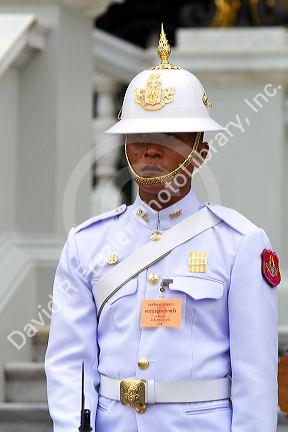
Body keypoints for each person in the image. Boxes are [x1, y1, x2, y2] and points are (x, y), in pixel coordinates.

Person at [44, 24, 280, 432]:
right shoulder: (87, 244)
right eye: (139, 136)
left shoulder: (239, 244)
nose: (151, 147)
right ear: (125, 147)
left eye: (171, 136)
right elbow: (70, 363)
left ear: (200, 152)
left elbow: (255, 377)